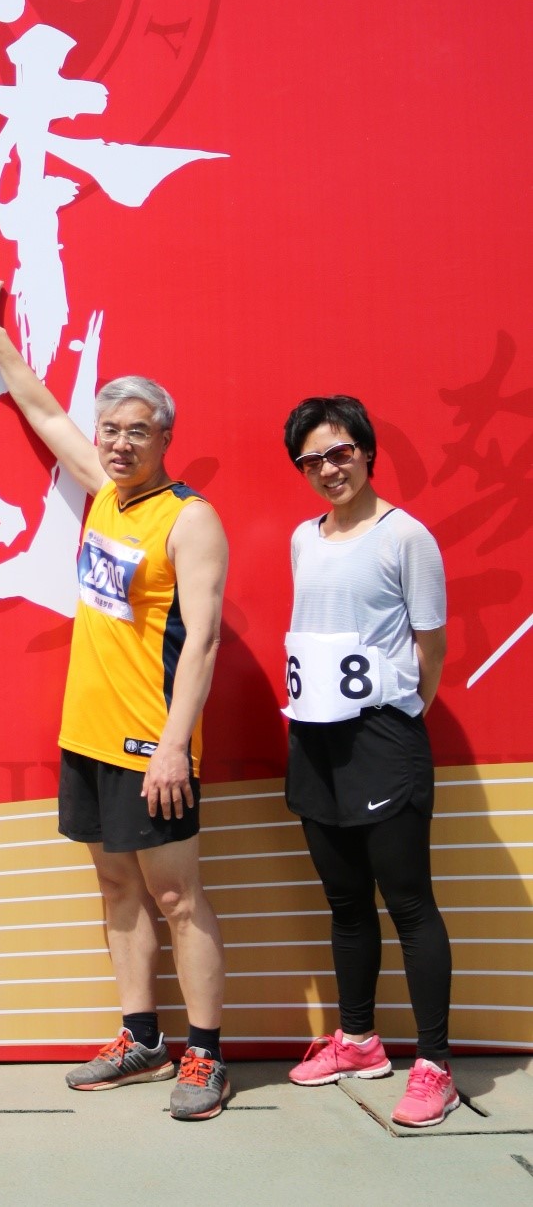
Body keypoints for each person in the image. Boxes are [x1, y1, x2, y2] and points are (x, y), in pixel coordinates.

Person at [0, 269, 230, 1120]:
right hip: (87, 735)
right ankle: (140, 1039)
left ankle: (205, 1055)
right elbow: (42, 412)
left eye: (136, 431)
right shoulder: (104, 496)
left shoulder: (188, 519)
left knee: (177, 897)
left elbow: (203, 640)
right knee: (116, 889)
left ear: (164, 437)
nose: (117, 443)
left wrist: (173, 746)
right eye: (109, 429)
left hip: (152, 744)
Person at [282, 396, 455, 1127]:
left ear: (366, 451)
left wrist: (400, 713)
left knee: (408, 904)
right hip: (314, 741)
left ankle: (435, 1066)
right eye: (311, 460)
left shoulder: (405, 537)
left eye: (340, 452)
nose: (328, 469)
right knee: (346, 903)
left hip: (383, 740)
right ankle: (358, 1042)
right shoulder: (302, 538)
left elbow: (430, 647)